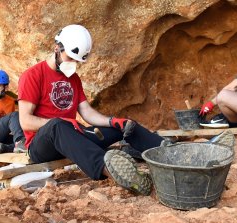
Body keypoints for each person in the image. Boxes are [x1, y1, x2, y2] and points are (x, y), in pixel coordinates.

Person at [18, 24, 165, 196]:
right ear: (57, 48)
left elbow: (86, 112)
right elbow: (25, 121)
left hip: (73, 138)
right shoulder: (32, 76)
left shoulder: (73, 78)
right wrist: (62, 123)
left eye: (77, 61)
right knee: (57, 125)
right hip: (41, 146)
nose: (73, 64)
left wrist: (112, 121)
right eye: (70, 58)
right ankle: (114, 172)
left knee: (126, 126)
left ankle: (168, 152)